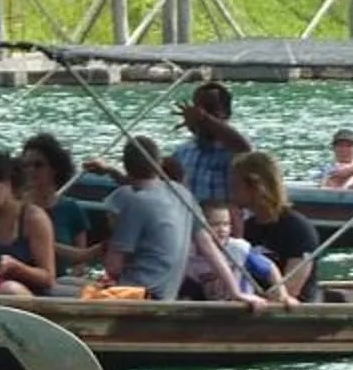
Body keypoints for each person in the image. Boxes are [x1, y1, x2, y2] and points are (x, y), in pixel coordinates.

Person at [102, 136, 197, 299]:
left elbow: (113, 267)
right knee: (71, 282)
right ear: (158, 163)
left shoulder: (138, 202)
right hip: (167, 293)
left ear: (126, 167)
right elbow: (208, 245)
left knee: (60, 288)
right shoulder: (182, 194)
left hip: (138, 294)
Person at [231, 151, 324, 304]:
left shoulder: (298, 229)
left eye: (235, 185)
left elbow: (291, 289)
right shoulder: (248, 227)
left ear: (255, 186)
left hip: (290, 313)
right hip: (254, 305)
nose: (231, 191)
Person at [0, 149, 59, 295]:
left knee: (8, 289)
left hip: (30, 298)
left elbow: (48, 278)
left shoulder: (33, 218)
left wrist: (16, 267)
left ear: (7, 184)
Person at [18, 133, 107, 282]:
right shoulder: (17, 208)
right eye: (25, 165)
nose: (30, 170)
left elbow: (80, 263)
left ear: (55, 169)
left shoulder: (71, 209)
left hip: (60, 283)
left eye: (38, 165)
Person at [174, 80, 251, 233]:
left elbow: (244, 147)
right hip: (186, 231)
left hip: (225, 233)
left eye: (209, 110)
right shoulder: (182, 152)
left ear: (226, 114)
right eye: (197, 110)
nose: (200, 115)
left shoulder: (235, 152)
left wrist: (204, 119)